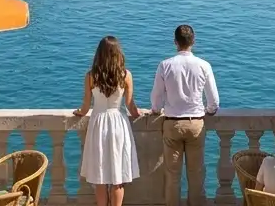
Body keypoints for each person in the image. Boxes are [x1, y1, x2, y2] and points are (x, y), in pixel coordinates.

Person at [151, 24, 220, 206]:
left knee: (172, 176)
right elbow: (214, 102)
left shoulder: (165, 65)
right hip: (196, 124)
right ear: (193, 41)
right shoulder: (204, 66)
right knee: (196, 174)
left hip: (172, 124)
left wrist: (157, 111)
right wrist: (208, 111)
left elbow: (156, 101)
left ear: (175, 42)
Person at [74, 37, 142, 206]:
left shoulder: (91, 76)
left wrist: (79, 112)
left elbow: (85, 105)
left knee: (100, 176)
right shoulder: (125, 75)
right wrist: (138, 113)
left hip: (98, 124)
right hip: (118, 124)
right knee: (118, 176)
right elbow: (130, 105)